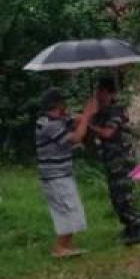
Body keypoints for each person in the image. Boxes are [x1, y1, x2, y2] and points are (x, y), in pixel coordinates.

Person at [89, 77, 140, 245]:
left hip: (121, 161)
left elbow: (108, 133)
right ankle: (130, 227)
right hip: (111, 161)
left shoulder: (117, 111)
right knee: (116, 196)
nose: (99, 97)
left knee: (125, 196)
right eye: (98, 94)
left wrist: (89, 125)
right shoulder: (102, 113)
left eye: (101, 93)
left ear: (111, 94)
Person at [35, 88, 97, 258]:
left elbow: (74, 120)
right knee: (71, 209)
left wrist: (85, 115)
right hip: (56, 177)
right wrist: (86, 115)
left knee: (65, 210)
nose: (66, 105)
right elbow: (76, 138)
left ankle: (66, 245)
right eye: (63, 102)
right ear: (56, 104)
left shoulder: (55, 119)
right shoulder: (49, 125)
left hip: (58, 175)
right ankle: (60, 247)